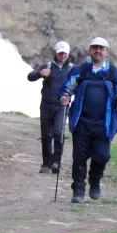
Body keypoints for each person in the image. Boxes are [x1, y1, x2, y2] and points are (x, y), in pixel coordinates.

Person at [59, 37, 117, 203]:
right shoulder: (80, 70)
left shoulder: (114, 73)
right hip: (81, 122)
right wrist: (64, 98)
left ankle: (95, 181)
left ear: (106, 52)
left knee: (102, 156)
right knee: (79, 157)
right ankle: (78, 191)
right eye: (94, 48)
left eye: (101, 48)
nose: (98, 51)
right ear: (89, 51)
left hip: (104, 124)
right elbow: (66, 88)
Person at [28, 41, 73, 174]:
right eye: (60, 53)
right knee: (46, 135)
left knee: (59, 133)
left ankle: (56, 162)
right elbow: (30, 77)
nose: (63, 55)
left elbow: (79, 84)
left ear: (68, 53)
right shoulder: (48, 66)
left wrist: (70, 96)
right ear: (56, 53)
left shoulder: (72, 69)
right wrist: (40, 74)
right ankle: (46, 164)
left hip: (62, 106)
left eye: (65, 53)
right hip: (46, 105)